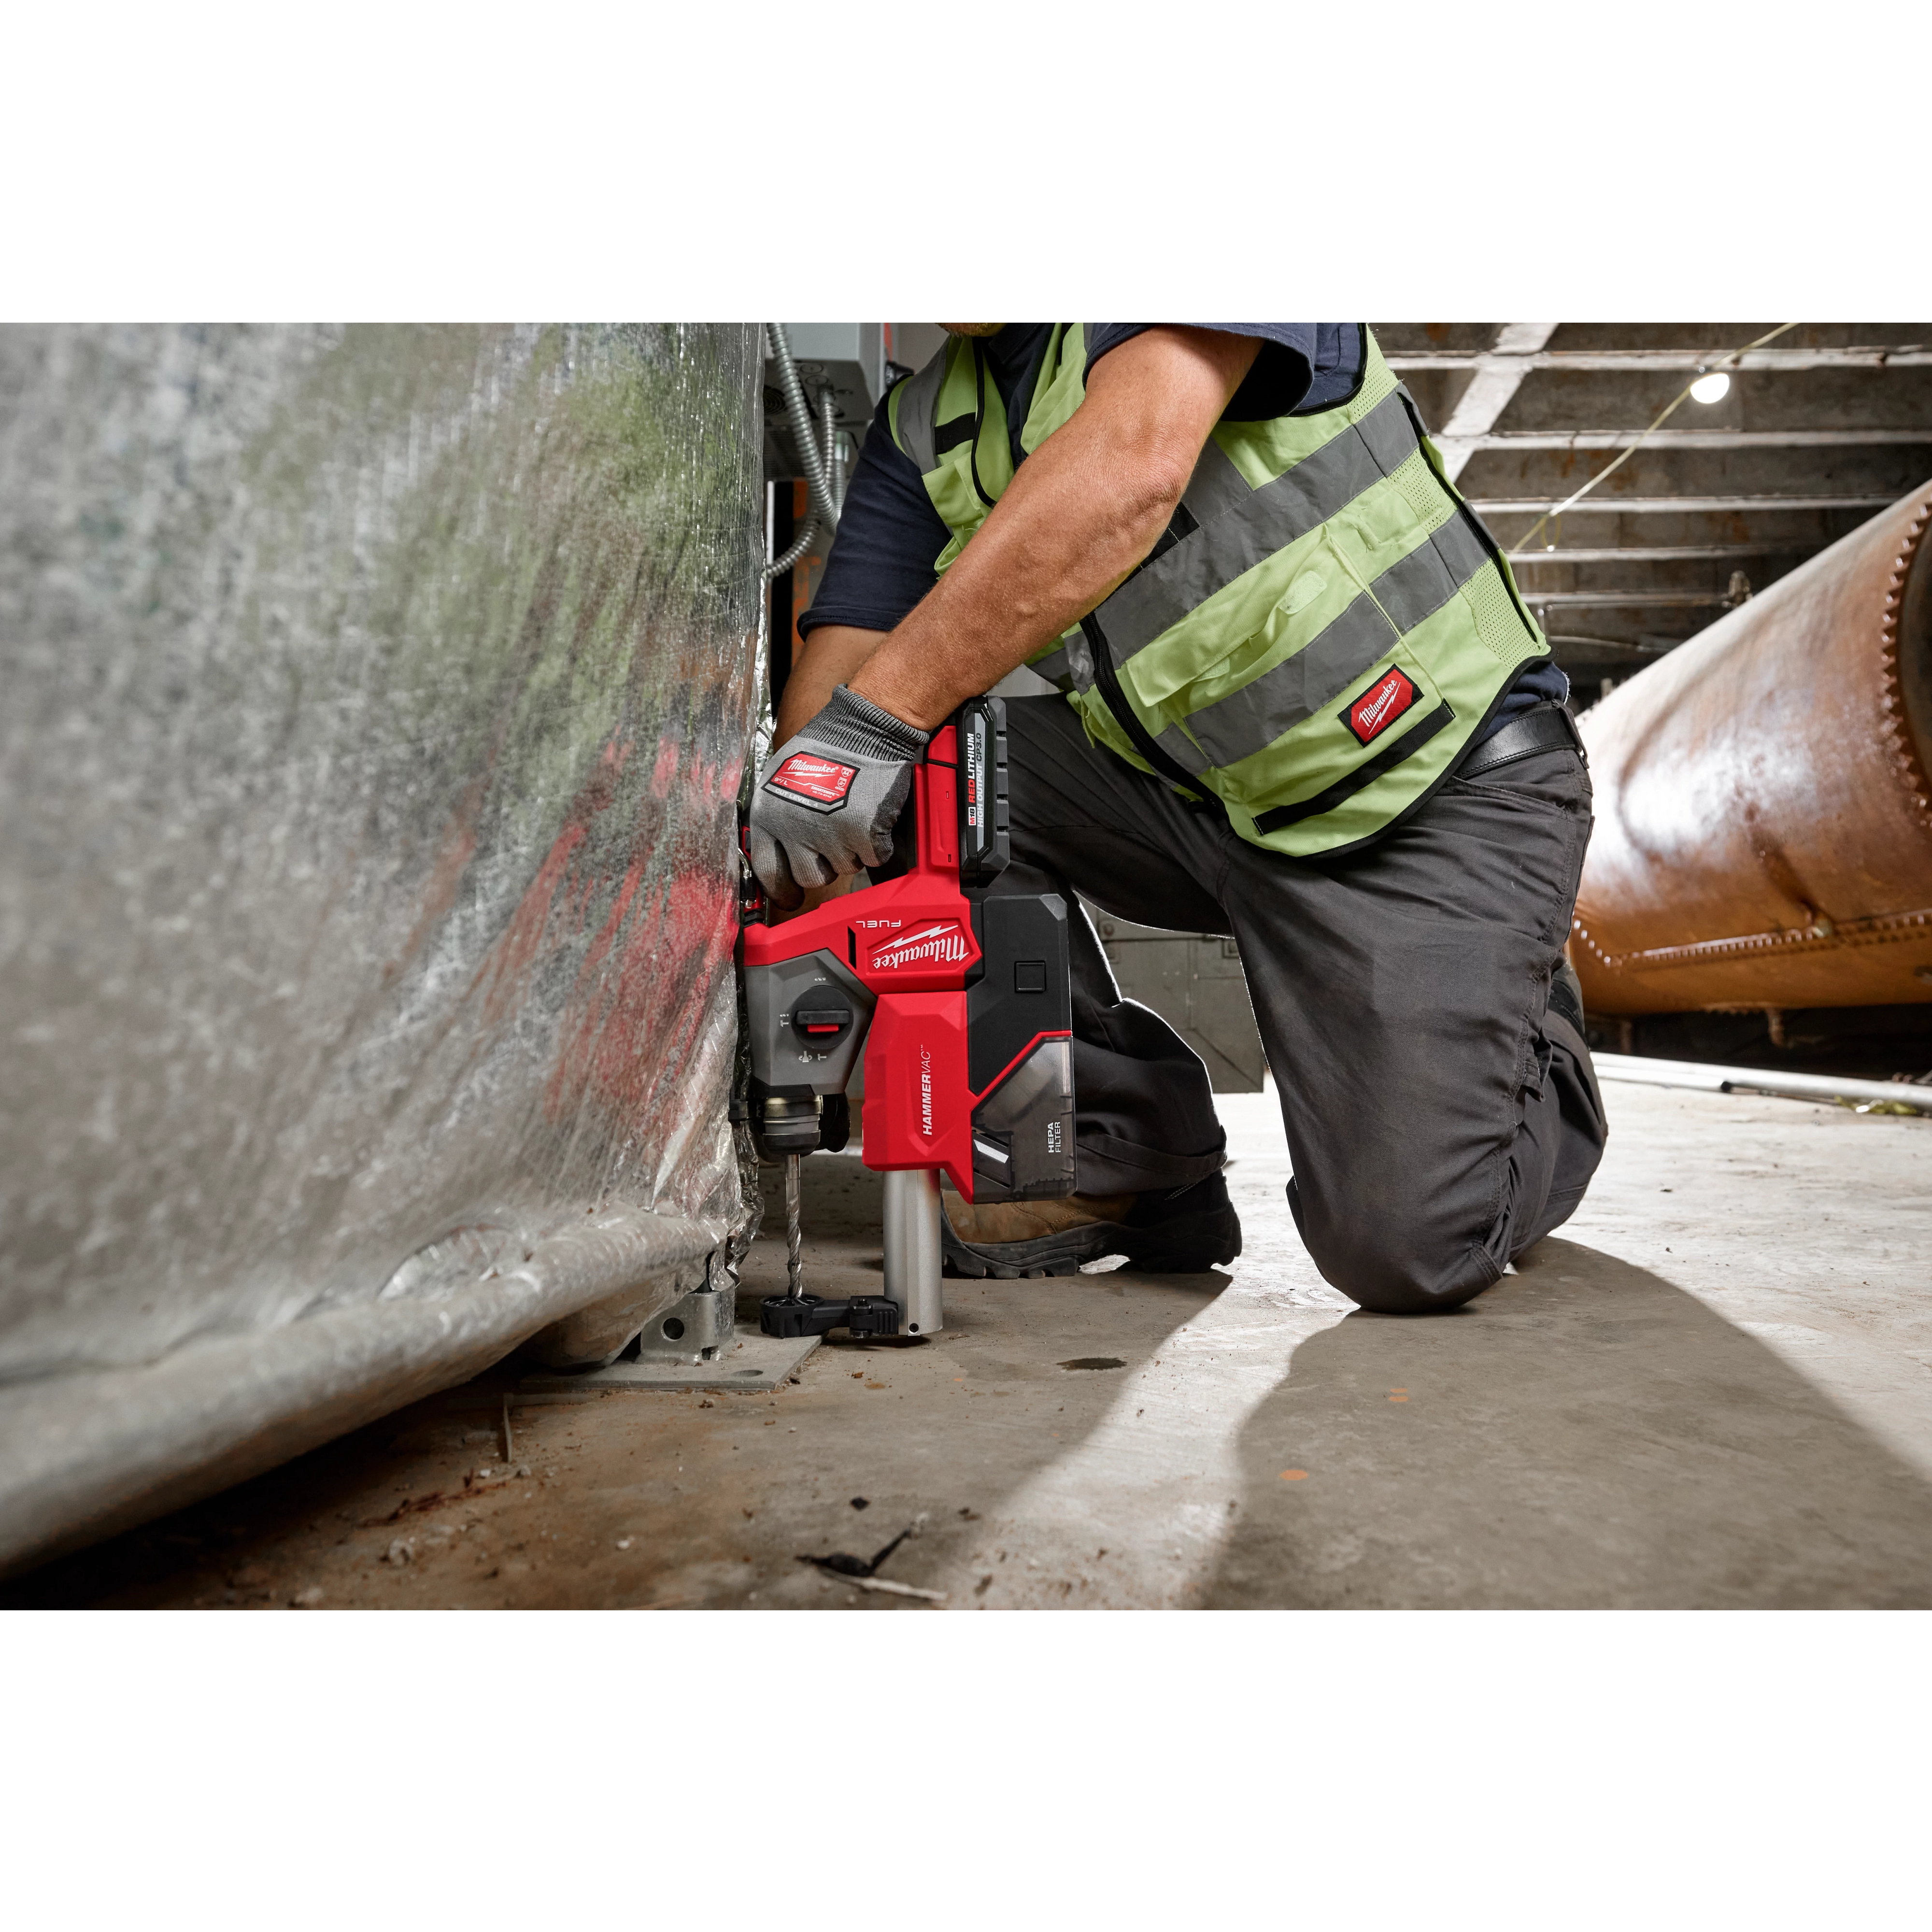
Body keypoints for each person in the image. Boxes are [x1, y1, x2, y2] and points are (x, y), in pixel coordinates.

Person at [750, 322, 1604, 1313]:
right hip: (1204, 802)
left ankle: (1520, 1029)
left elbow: (1132, 469)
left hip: (1427, 792)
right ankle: (1121, 1148)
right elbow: (836, 696)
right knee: (912, 783)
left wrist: (875, 720)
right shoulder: (924, 425)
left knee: (1404, 1246)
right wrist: (811, 884)